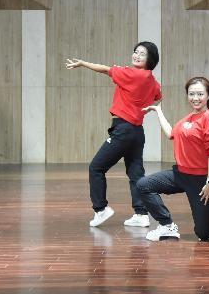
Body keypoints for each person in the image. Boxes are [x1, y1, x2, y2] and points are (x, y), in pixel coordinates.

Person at [65, 42, 161, 228]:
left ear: (150, 59)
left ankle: (101, 209)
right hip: (137, 131)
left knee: (96, 168)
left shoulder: (132, 74)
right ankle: (141, 214)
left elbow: (105, 69)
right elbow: (158, 96)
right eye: (136, 52)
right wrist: (138, 105)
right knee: (136, 173)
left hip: (123, 129)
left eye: (142, 54)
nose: (136, 55)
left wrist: (82, 63)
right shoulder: (151, 80)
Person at [136, 77, 209, 242]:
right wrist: (158, 111)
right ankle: (166, 225)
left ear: (208, 95)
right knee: (143, 185)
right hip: (181, 174)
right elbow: (171, 133)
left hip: (201, 180)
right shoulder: (188, 118)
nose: (195, 98)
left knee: (203, 234)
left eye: (200, 94)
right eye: (191, 94)